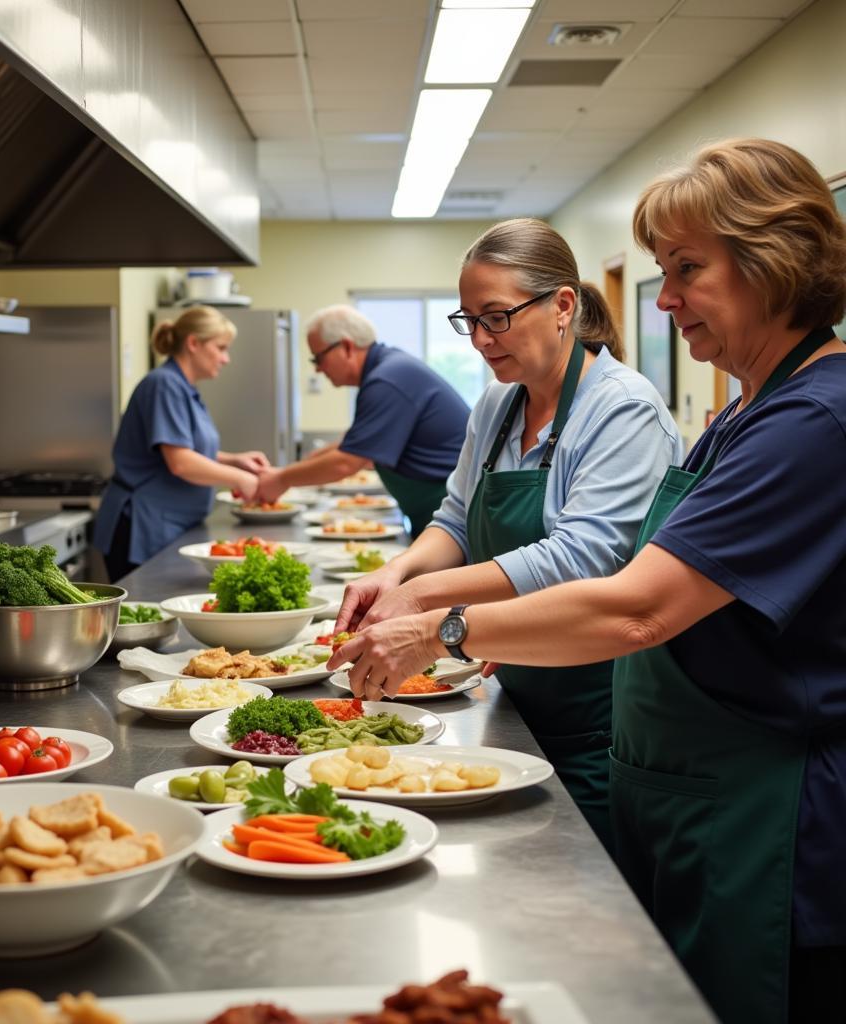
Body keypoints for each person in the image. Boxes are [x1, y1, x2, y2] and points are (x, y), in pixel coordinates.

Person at [329, 139, 846, 1024]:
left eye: (688, 269)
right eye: (663, 269)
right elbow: (473, 520)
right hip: (688, 790)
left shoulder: (812, 422)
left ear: (777, 263)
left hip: (768, 818)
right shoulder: (746, 410)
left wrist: (440, 627)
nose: (666, 298)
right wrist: (407, 580)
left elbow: (640, 602)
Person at [333, 219, 681, 849]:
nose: (481, 341)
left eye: (496, 317)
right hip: (509, 690)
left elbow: (579, 557)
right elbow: (456, 519)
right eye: (469, 321)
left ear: (563, 306)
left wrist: (425, 599)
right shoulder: (499, 403)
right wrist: (398, 573)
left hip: (598, 718)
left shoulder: (624, 411)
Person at [254, 305, 470, 537]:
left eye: (318, 358)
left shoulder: (386, 380)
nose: (318, 369)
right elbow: (351, 444)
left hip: (451, 512)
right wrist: (289, 471)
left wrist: (281, 480)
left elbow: (347, 461)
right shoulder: (388, 370)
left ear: (346, 347)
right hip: (434, 511)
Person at [93, 305, 270, 581]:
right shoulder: (163, 385)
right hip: (142, 525)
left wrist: (234, 460)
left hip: (168, 523)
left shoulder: (183, 388)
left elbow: (182, 448)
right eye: (221, 348)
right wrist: (240, 479)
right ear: (193, 343)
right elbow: (180, 462)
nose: (226, 359)